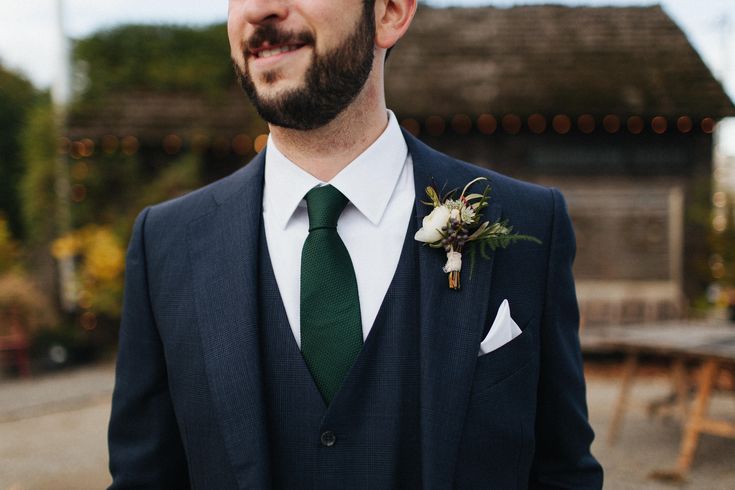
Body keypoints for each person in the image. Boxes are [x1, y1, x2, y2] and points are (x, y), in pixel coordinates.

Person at [107, 0, 603, 488]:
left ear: (389, 12)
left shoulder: (528, 222)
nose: (259, 10)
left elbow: (563, 472)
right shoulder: (164, 244)